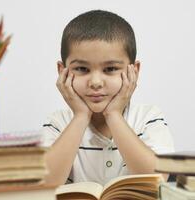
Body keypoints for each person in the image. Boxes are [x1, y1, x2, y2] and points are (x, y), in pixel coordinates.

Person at [42, 10, 174, 186]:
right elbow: (45, 183)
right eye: (82, 69)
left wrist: (113, 115)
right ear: (62, 71)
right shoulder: (58, 123)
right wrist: (81, 116)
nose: (96, 82)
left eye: (110, 69)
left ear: (134, 71)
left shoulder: (148, 118)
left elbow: (156, 181)